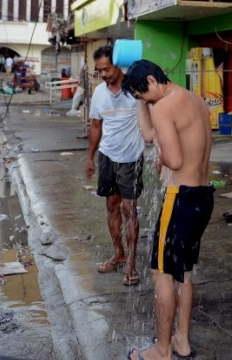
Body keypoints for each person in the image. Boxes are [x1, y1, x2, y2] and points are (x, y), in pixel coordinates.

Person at [122, 60, 214, 360]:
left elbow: (173, 159)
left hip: (180, 199)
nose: (145, 102)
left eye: (143, 94)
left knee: (161, 273)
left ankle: (162, 351)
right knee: (183, 271)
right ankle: (181, 340)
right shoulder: (194, 100)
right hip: (203, 196)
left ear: (152, 78)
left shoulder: (163, 107)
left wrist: (162, 158)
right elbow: (149, 133)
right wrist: (141, 99)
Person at [84, 46, 145, 286]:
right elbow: (96, 126)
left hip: (131, 157)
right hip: (107, 156)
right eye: (99, 70)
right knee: (111, 205)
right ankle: (118, 253)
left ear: (118, 64)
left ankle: (131, 262)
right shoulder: (99, 93)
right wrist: (90, 157)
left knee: (129, 209)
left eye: (107, 68)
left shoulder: (135, 89)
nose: (104, 74)